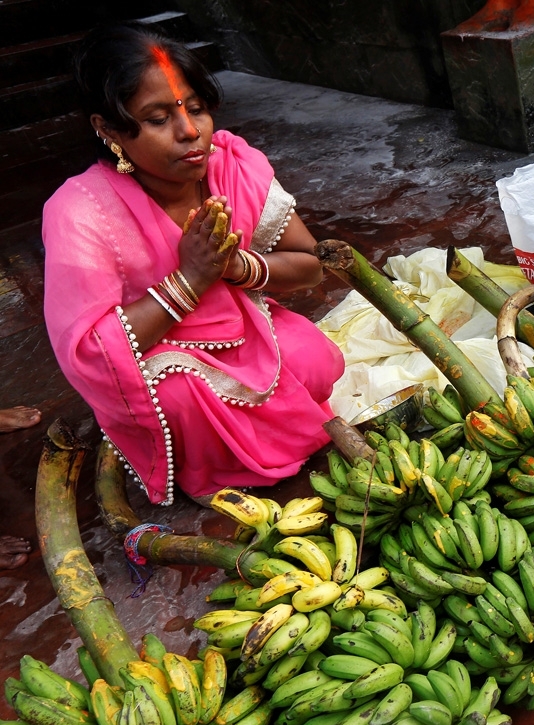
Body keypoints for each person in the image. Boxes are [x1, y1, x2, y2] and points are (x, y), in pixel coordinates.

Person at [42, 25, 344, 506]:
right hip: (161, 355)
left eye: (196, 109)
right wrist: (189, 281)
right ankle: (214, 470)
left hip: (246, 331)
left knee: (314, 357)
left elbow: (311, 266)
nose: (190, 132)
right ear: (108, 129)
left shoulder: (234, 165)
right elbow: (91, 354)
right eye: (159, 118)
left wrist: (236, 268)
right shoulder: (80, 211)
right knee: (185, 403)